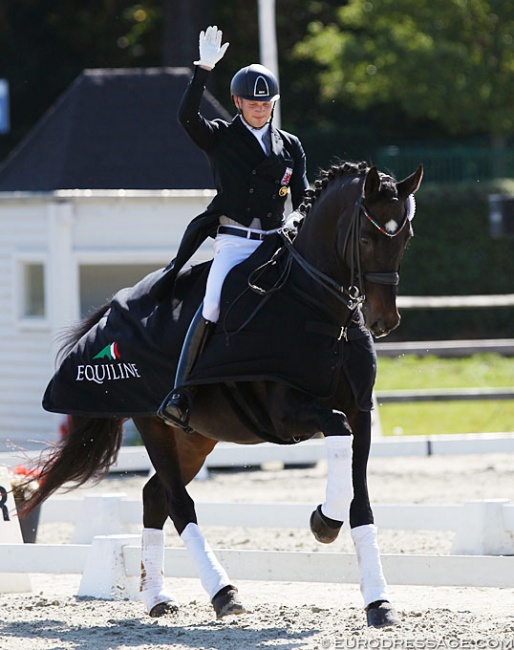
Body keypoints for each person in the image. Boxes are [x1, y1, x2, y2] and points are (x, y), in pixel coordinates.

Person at [158, 25, 309, 428]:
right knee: (211, 305)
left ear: (274, 103)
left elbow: (304, 195)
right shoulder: (221, 137)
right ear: (238, 102)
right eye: (252, 102)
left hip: (278, 242)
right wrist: (203, 69)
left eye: (267, 103)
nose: (260, 109)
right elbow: (186, 116)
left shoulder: (290, 145)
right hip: (236, 242)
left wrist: (297, 218)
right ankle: (182, 391)